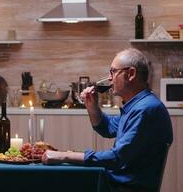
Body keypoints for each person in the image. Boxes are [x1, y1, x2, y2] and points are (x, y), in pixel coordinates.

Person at [42, 48, 173, 192]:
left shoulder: (146, 109)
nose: (110, 78)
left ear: (131, 74)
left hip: (125, 188)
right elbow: (107, 128)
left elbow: (116, 158)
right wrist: (92, 106)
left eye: (113, 72)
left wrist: (65, 155)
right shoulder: (137, 105)